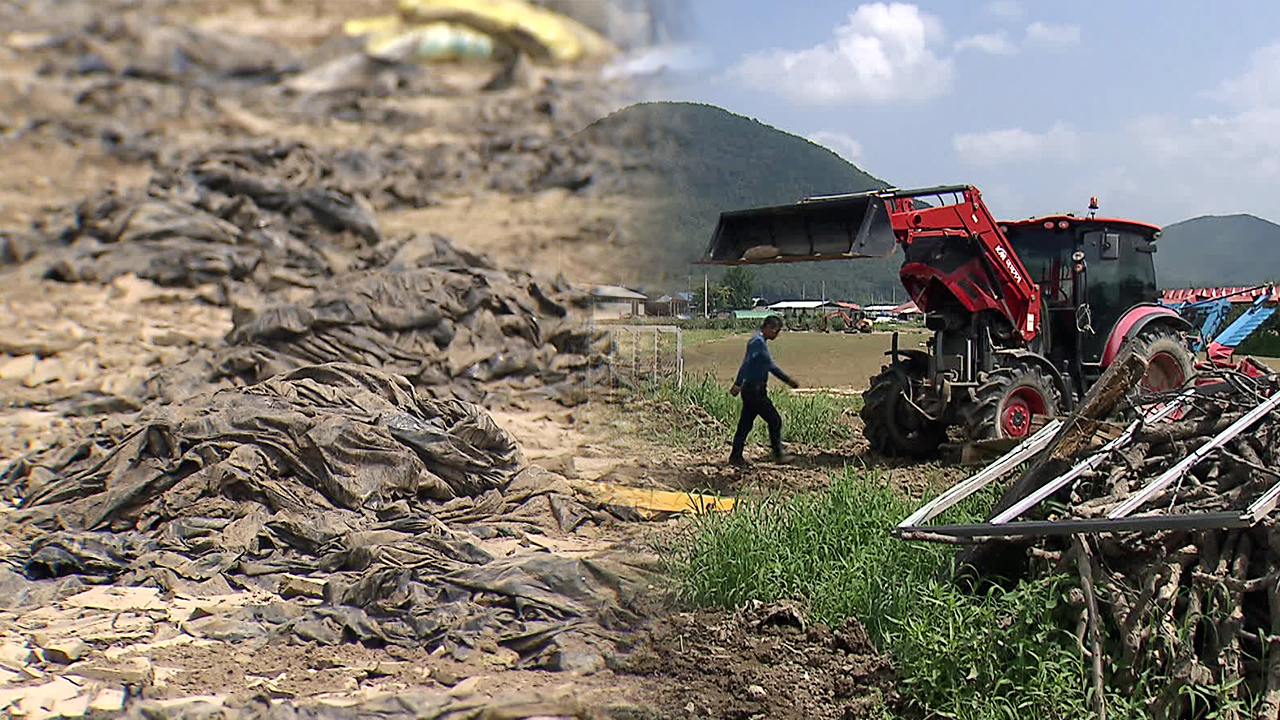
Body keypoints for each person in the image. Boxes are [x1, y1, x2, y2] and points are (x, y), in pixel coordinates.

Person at [729, 315, 799, 466]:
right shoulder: (757, 342)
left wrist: (788, 381)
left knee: (745, 424)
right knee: (775, 420)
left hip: (754, 390)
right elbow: (746, 363)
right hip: (754, 390)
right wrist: (738, 383)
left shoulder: (760, 343)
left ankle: (735, 456)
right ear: (768, 327)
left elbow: (770, 367)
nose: (776, 334)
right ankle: (778, 454)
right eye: (776, 330)